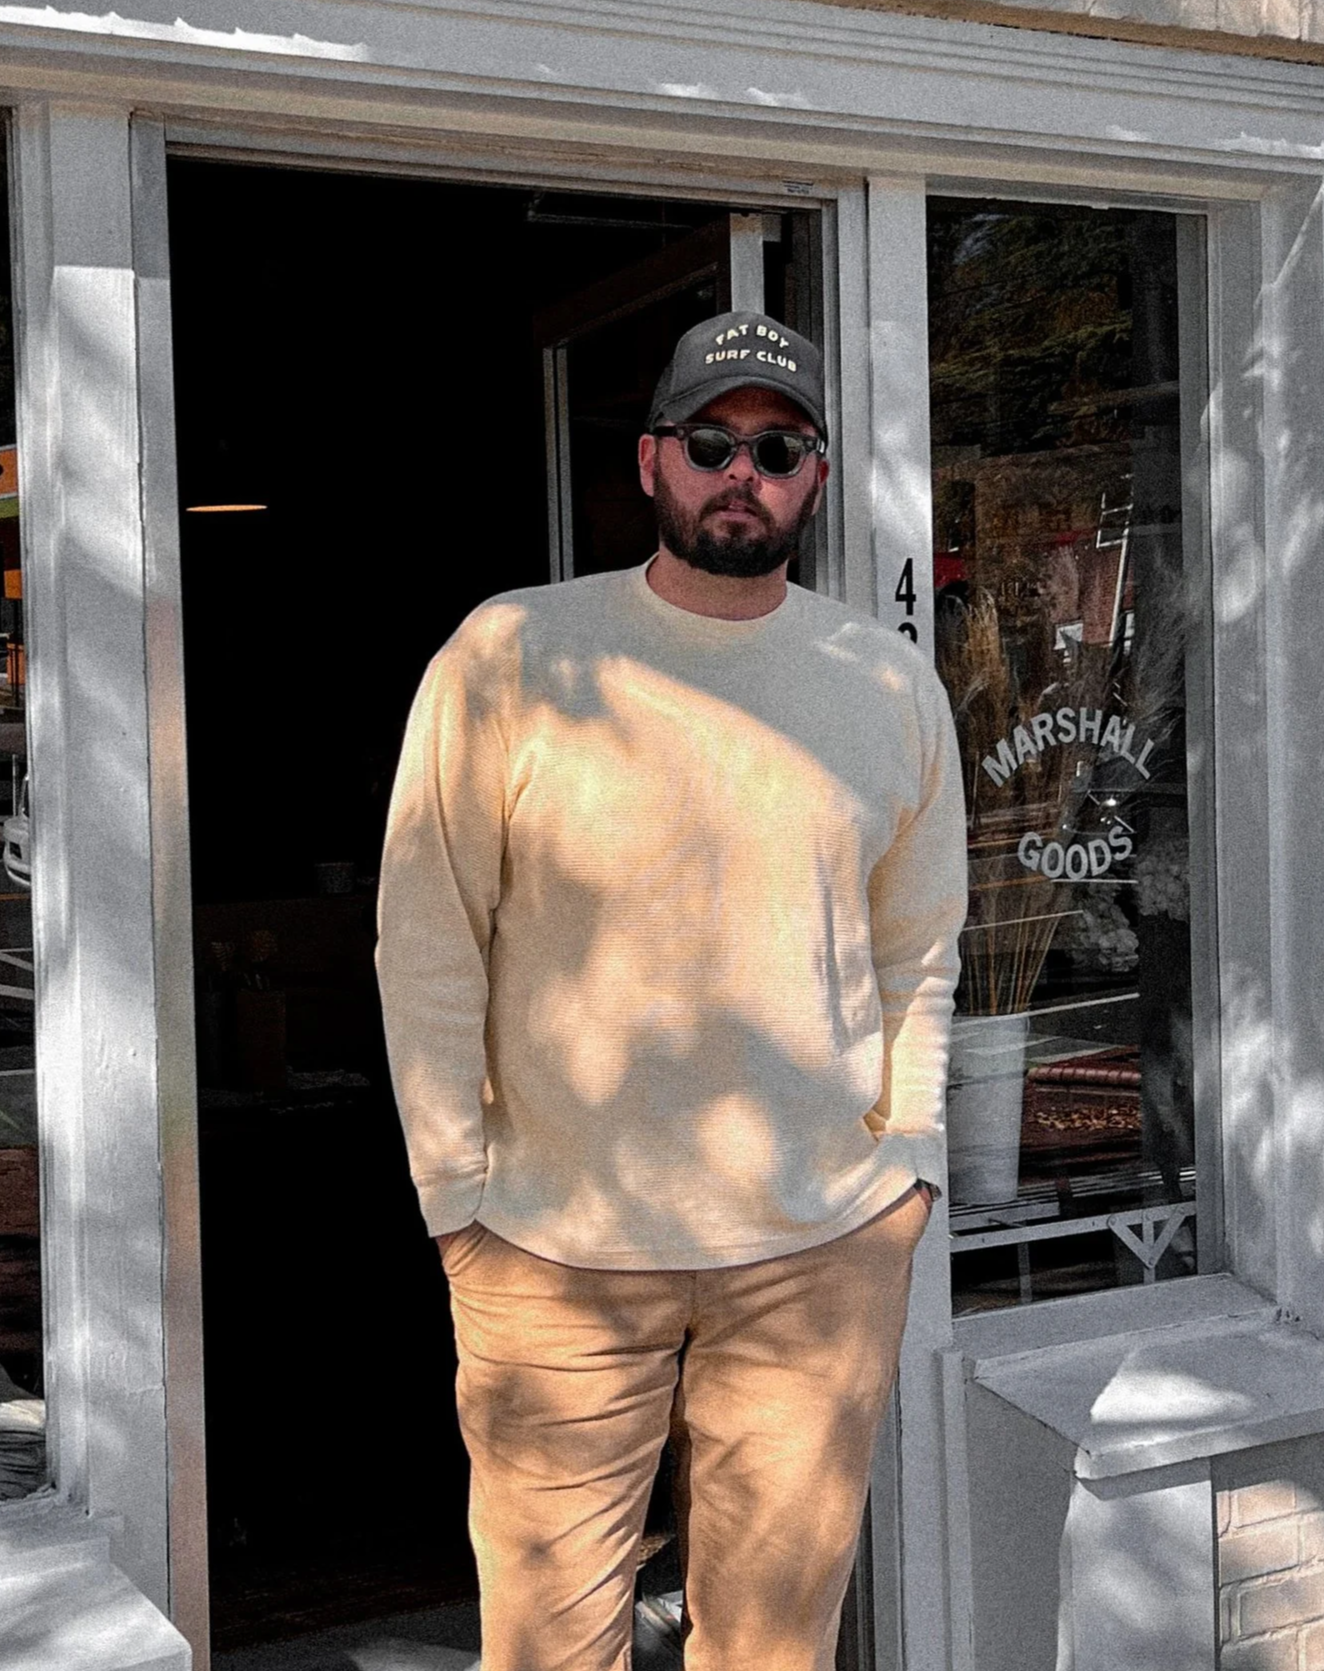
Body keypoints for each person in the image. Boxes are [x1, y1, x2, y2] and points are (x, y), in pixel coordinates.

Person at [376, 310, 968, 1671]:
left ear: (815, 477)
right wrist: (456, 1198)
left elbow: (920, 945)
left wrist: (911, 1166)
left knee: (771, 1651)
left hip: (818, 1252)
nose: (740, 472)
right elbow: (427, 936)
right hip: (554, 1255)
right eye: (711, 441)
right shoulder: (515, 658)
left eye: (776, 446)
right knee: (547, 1649)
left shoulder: (884, 682)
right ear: (650, 462)